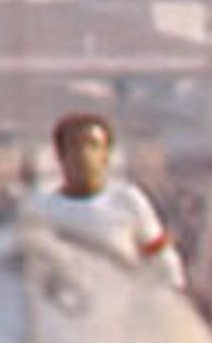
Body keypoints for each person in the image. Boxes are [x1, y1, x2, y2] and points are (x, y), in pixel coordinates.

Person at [31, 111, 187, 288]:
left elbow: (162, 262)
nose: (84, 154)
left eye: (93, 145)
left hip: (121, 308)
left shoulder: (128, 201)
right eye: (75, 146)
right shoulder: (41, 211)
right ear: (60, 154)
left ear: (106, 154)